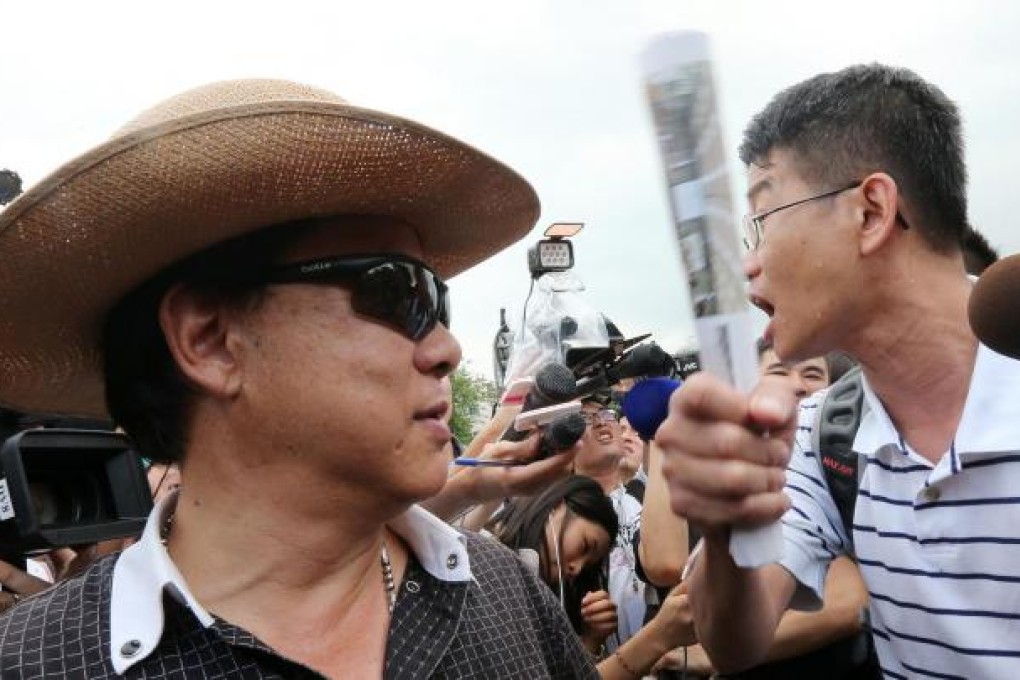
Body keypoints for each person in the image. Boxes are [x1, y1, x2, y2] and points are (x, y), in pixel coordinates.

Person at [0, 79, 596, 678]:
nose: (447, 349)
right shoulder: (39, 660)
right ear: (209, 341)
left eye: (438, 303)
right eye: (397, 292)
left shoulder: (504, 595)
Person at [656, 63, 1020, 679]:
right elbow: (734, 644)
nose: (748, 267)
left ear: (872, 211)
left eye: (761, 221)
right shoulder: (820, 435)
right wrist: (724, 528)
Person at [573, 397, 646, 650]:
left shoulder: (648, 494)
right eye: (584, 418)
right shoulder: (562, 518)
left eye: (605, 414)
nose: (600, 423)